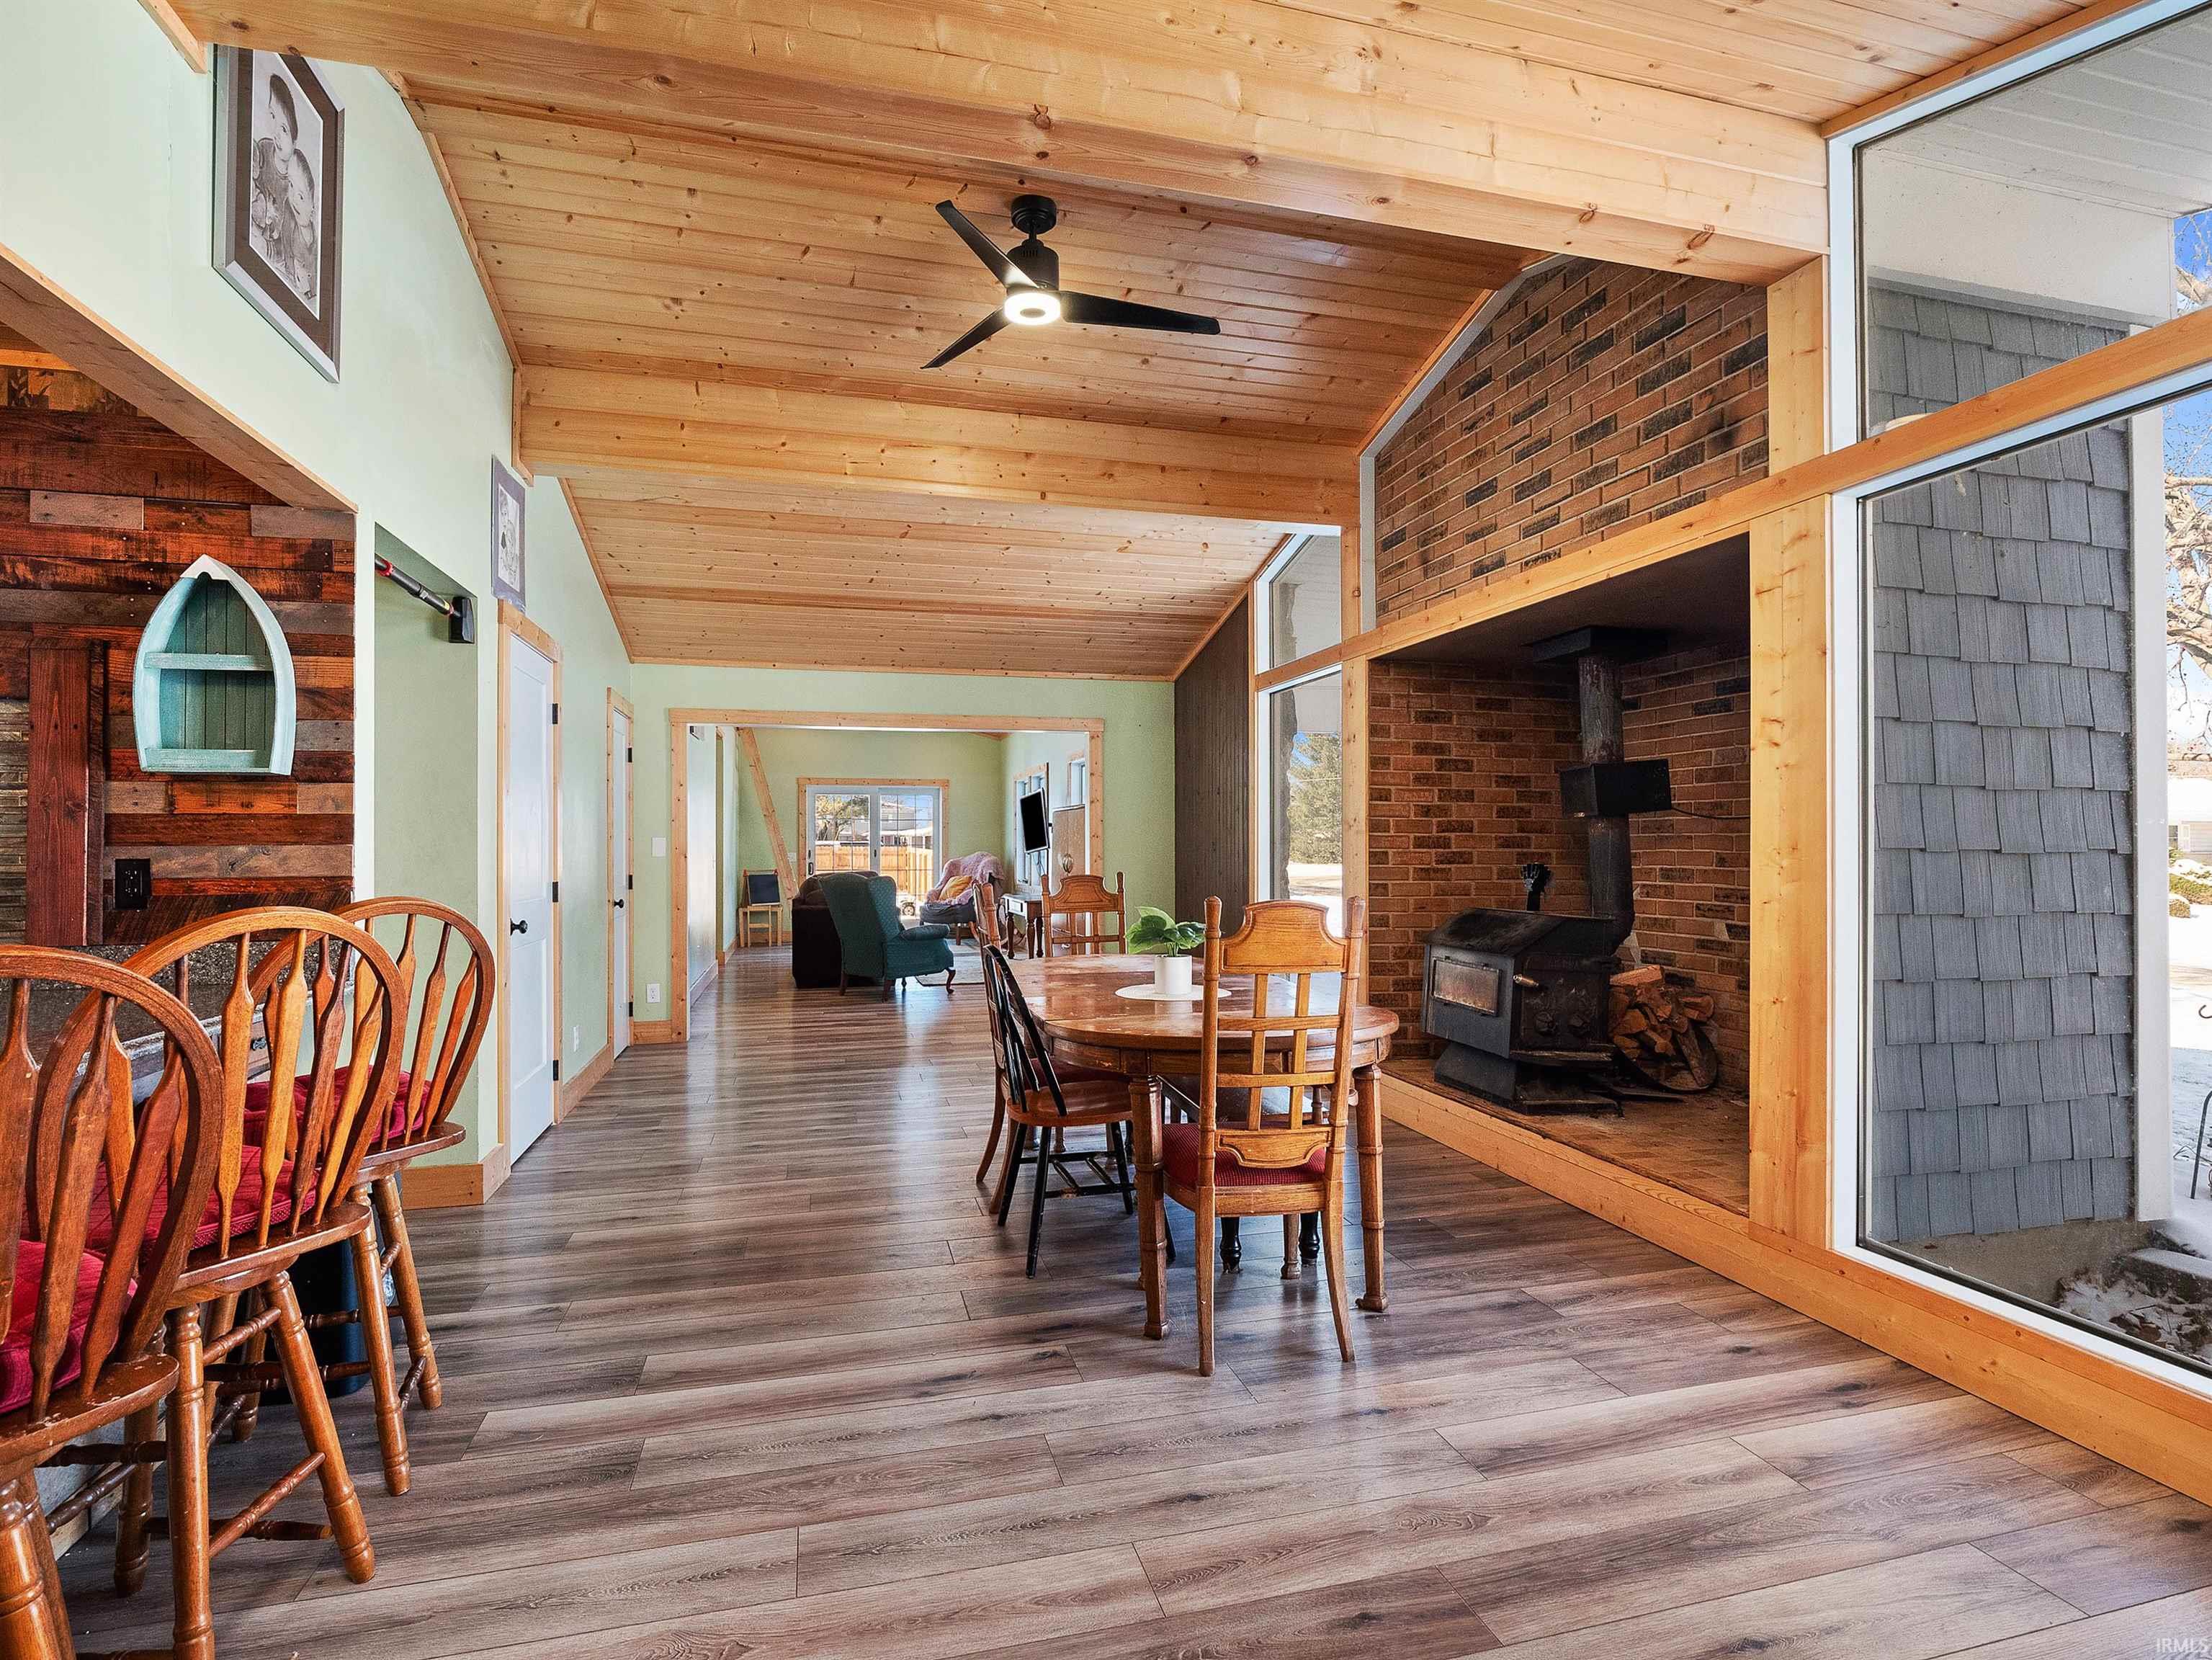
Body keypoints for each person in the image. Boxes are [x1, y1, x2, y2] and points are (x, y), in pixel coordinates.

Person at [249, 71, 298, 254]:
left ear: (294, 141)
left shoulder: (293, 184)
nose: (277, 133)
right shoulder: (264, 148)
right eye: (272, 116)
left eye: (284, 129)